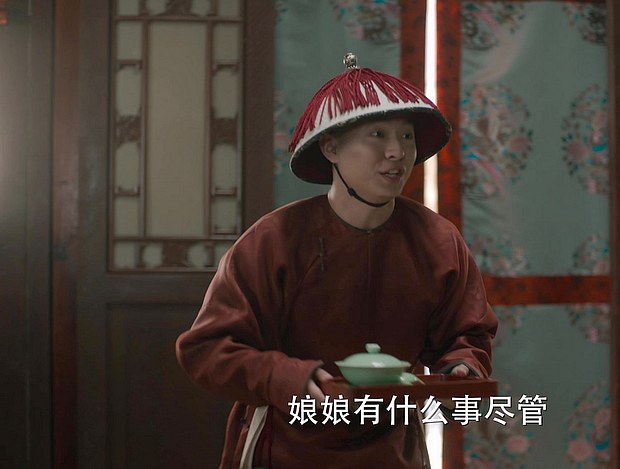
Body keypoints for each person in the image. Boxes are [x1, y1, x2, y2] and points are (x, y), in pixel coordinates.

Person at [175, 53, 498, 468]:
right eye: (377, 134)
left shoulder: (437, 240)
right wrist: (287, 377)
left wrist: (461, 367)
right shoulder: (274, 239)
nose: (397, 152)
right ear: (331, 147)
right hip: (285, 443)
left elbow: (467, 335)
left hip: (391, 448)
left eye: (406, 136)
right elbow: (206, 348)